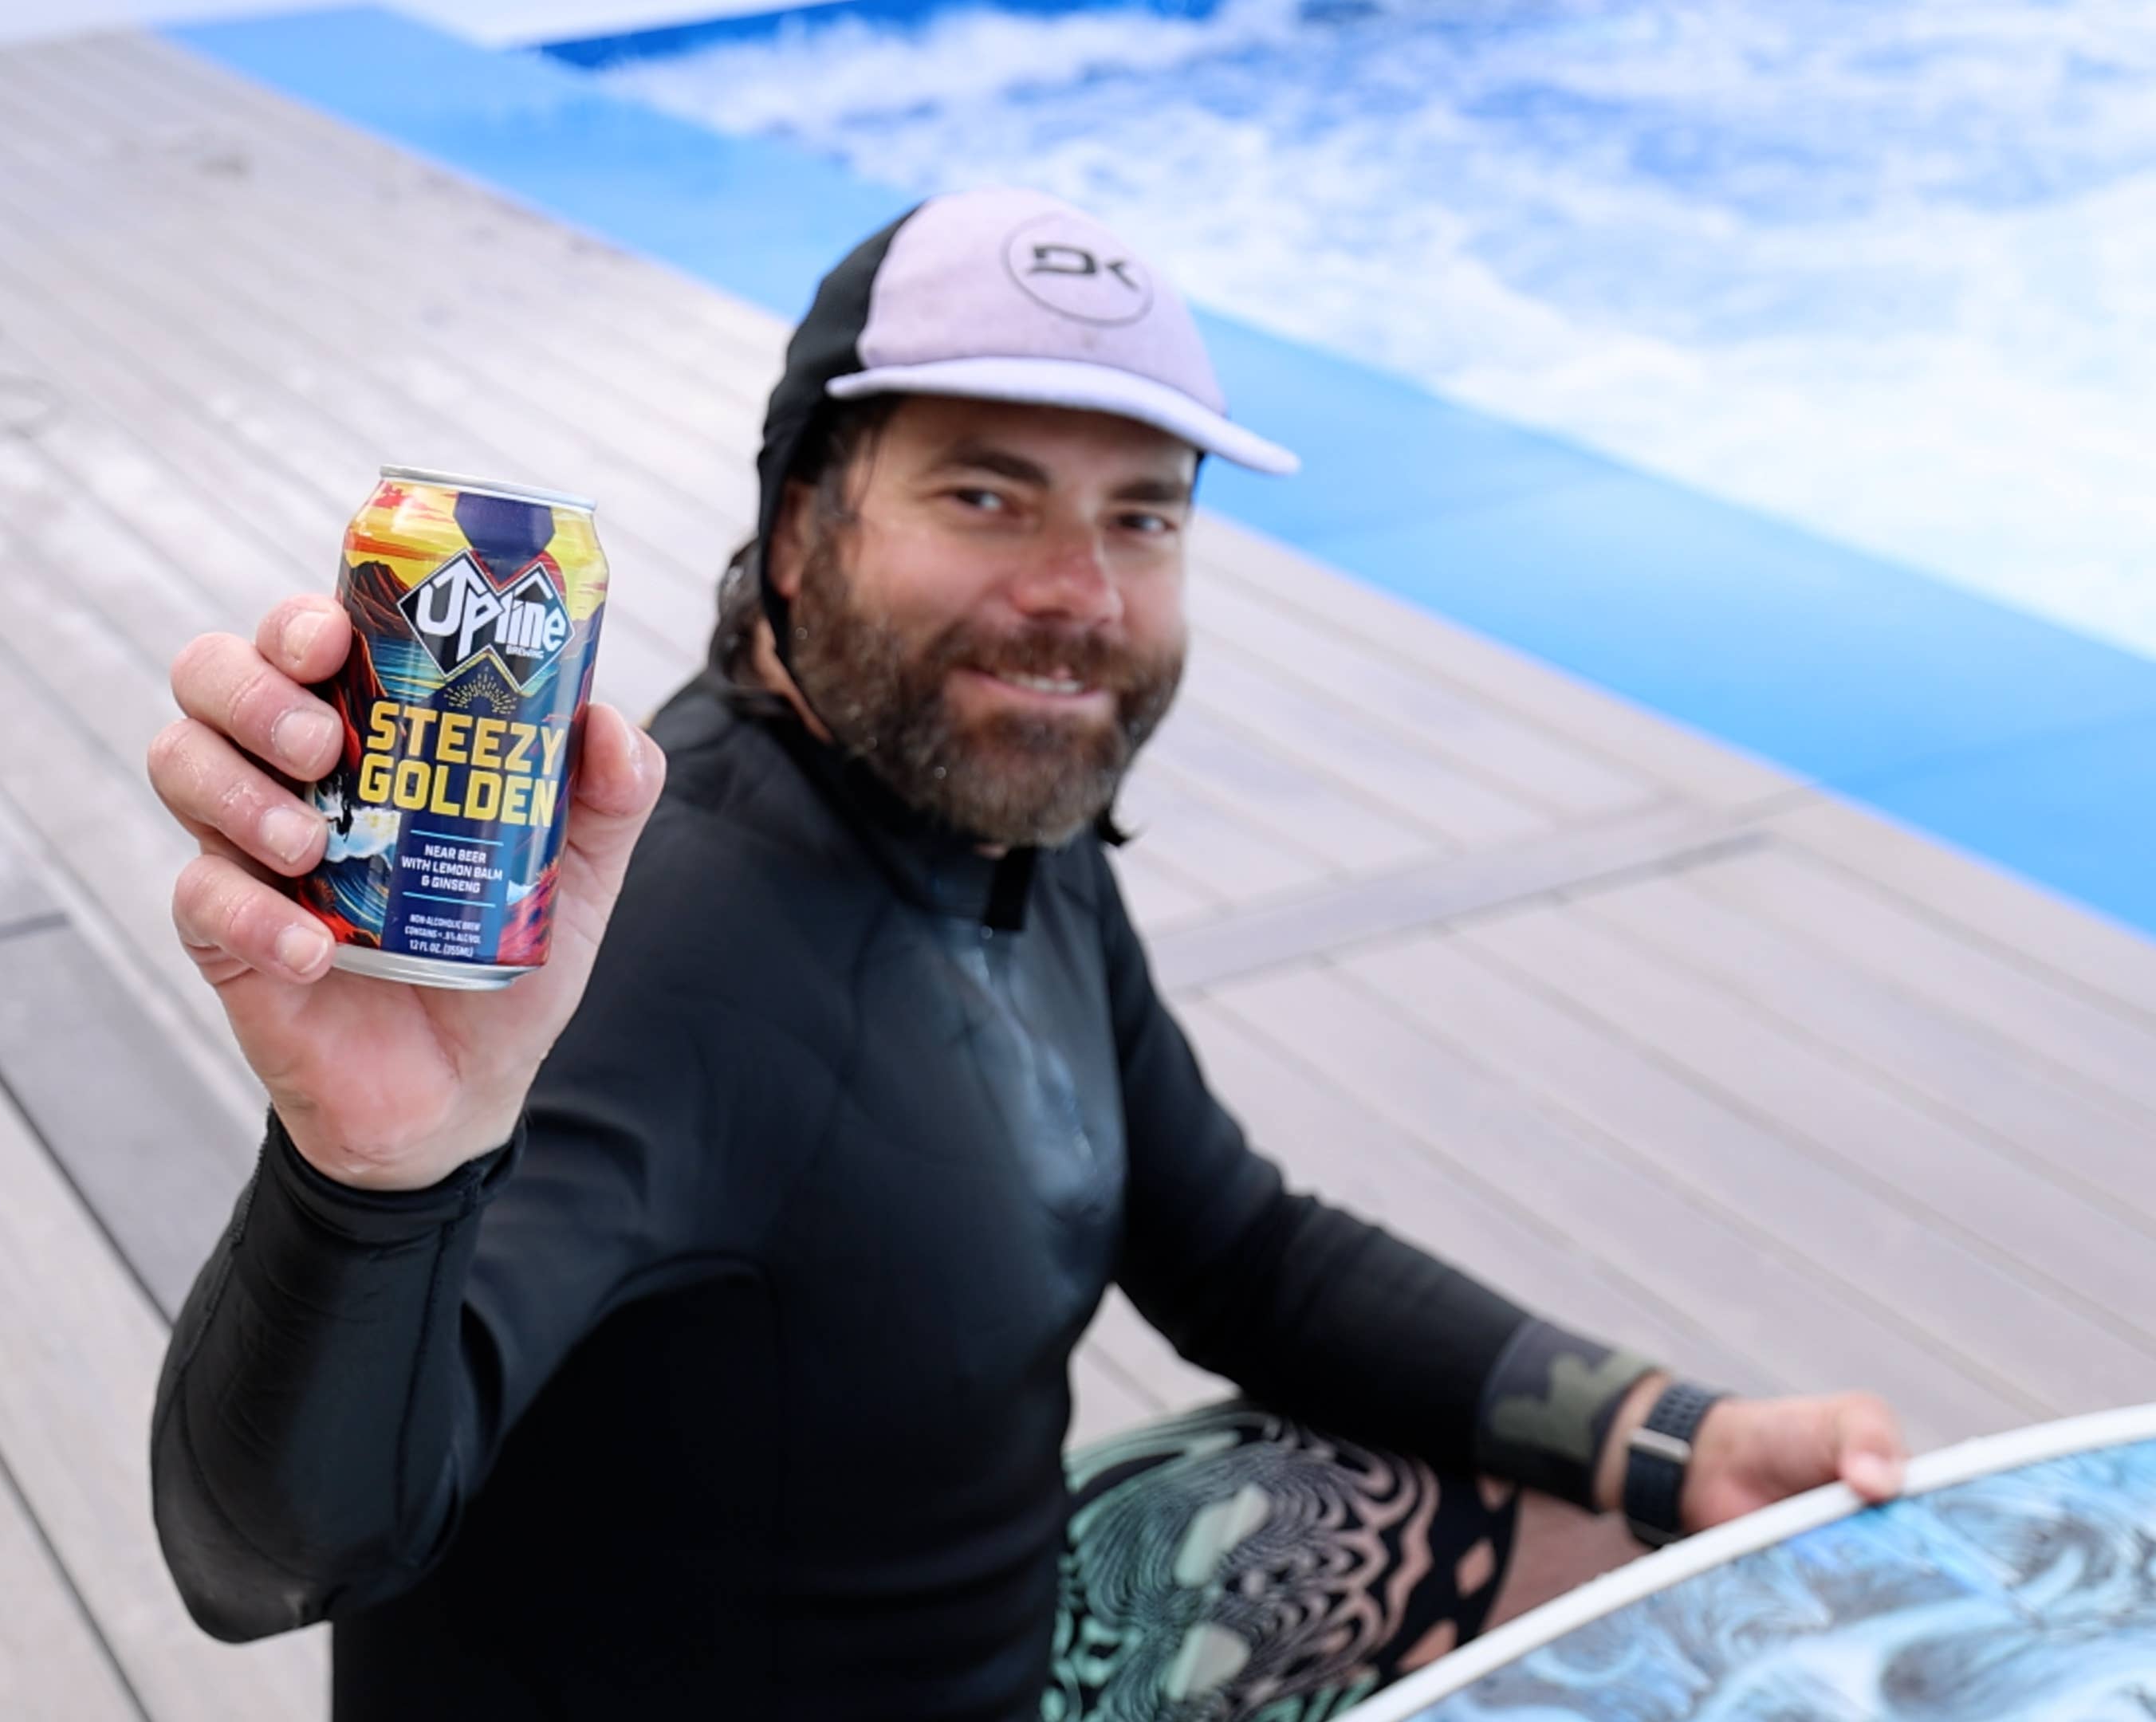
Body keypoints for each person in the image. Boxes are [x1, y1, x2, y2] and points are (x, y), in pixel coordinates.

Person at [144, 187, 1910, 1720]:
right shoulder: (665, 955)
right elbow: (276, 1551)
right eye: (987, 496)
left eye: (1143, 515)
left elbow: (1242, 1251)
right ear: (801, 524)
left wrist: (1679, 1434)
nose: (1081, 592)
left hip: (979, 1656)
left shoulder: (989, 817)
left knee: (1627, 1524)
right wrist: (369, 1177)